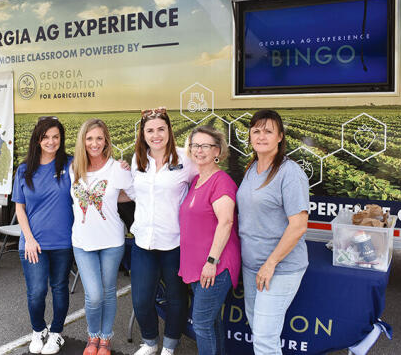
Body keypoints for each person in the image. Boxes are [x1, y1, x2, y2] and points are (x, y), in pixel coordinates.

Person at [236, 109, 309, 355]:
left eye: (268, 131)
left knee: (265, 339)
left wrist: (270, 263)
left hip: (279, 267)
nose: (261, 136)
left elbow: (298, 225)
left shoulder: (289, 172)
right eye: (256, 130)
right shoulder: (251, 168)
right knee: (259, 329)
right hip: (252, 265)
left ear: (280, 137)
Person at [127, 108, 196, 355]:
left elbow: (201, 188)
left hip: (175, 243)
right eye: (150, 130)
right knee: (141, 299)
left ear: (169, 131)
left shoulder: (185, 160)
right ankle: (149, 342)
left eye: (161, 129)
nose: (156, 135)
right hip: (143, 241)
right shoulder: (138, 160)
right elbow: (134, 192)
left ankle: (169, 346)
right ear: (143, 134)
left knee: (177, 298)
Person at [70, 118, 133, 355]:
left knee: (107, 291)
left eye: (99, 138)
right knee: (94, 294)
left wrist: (111, 198)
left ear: (106, 140)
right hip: (82, 242)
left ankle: (104, 339)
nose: (94, 143)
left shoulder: (117, 168)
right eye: (89, 138)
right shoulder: (74, 167)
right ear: (83, 141)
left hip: (111, 241)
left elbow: (134, 194)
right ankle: (92, 335)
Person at [11, 117, 73, 355]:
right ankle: (39, 330)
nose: (51, 141)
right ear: (38, 139)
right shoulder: (24, 169)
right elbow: (20, 208)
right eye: (46, 137)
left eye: (55, 137)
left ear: (61, 139)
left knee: (59, 287)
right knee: (36, 292)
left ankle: (56, 333)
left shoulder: (70, 164)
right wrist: (29, 238)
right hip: (32, 243)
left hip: (62, 242)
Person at [179, 126, 241, 355]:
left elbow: (226, 222)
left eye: (205, 146)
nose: (199, 150)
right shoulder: (196, 179)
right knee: (211, 322)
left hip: (215, 265)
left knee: (202, 324)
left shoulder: (221, 181)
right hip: (198, 265)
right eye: (195, 145)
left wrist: (211, 261)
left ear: (217, 151)